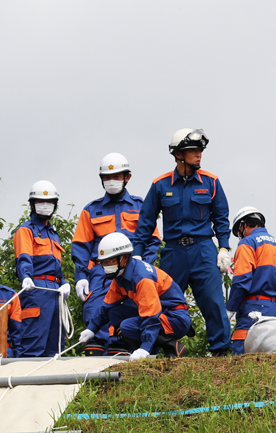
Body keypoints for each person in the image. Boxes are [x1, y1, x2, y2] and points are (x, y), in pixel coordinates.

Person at [134, 129, 233, 356]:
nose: (199, 155)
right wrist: (138, 254)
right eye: (193, 151)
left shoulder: (211, 182)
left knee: (214, 302)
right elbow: (146, 222)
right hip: (174, 252)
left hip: (203, 250)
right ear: (179, 154)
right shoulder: (160, 185)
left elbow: (221, 218)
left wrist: (224, 247)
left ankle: (221, 352)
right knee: (163, 303)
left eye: (200, 150)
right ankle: (166, 350)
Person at [71, 153, 160, 356]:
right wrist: (81, 277)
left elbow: (153, 240)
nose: (111, 181)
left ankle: (122, 351)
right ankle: (94, 367)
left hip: (133, 272)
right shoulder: (90, 210)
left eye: (117, 176)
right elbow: (81, 247)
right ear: (101, 179)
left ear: (127, 177)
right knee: (96, 312)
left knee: (129, 314)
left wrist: (142, 265)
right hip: (101, 273)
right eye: (107, 177)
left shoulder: (140, 206)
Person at [78, 232, 192, 361]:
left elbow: (151, 317)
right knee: (115, 312)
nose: (107, 266)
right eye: (104, 262)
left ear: (124, 258)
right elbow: (107, 306)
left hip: (174, 318)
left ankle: (170, 345)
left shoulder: (142, 278)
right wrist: (91, 329)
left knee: (126, 326)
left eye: (111, 261)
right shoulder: (120, 277)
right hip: (161, 314)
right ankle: (137, 349)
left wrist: (145, 349)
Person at [14, 181, 71, 357]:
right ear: (32, 204)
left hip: (56, 293)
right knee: (33, 345)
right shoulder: (26, 230)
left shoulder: (54, 235)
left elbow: (56, 268)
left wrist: (64, 283)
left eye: (50, 202)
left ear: (55, 205)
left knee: (56, 349)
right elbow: (24, 258)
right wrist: (26, 277)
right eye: (40, 201)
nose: (45, 205)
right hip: (36, 289)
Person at [225, 206, 276, 354]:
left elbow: (241, 282)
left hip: (252, 309)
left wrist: (230, 309)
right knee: (273, 355)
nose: (240, 236)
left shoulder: (247, 243)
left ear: (243, 224)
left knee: (240, 356)